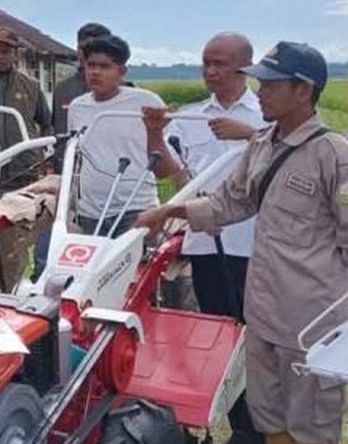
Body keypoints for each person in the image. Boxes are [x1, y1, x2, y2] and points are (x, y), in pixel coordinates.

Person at [137, 42, 348, 444]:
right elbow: (228, 203)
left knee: (312, 422)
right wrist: (170, 213)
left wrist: (315, 277)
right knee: (267, 414)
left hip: (313, 320)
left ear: (303, 90)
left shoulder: (337, 156)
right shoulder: (262, 144)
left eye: (270, 85)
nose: (260, 92)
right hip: (264, 311)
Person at [143, 32, 264, 440]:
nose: (211, 72)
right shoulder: (193, 117)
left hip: (256, 247)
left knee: (257, 342)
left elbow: (293, 154)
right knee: (218, 336)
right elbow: (171, 173)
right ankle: (227, 422)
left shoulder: (267, 117)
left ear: (244, 67)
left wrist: (250, 134)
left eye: (221, 64)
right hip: (206, 245)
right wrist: (156, 134)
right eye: (206, 63)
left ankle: (256, 428)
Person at [0, 26, 51, 287]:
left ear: (15, 54)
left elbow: (46, 124)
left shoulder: (31, 86)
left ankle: (9, 294)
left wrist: (43, 156)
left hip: (19, 176)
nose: (0, 56)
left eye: (6, 51)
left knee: (12, 247)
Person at [67, 34, 166, 237]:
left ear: (122, 71)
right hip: (91, 211)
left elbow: (165, 155)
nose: (95, 72)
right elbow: (75, 157)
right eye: (91, 65)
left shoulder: (147, 102)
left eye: (105, 67)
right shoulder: (77, 107)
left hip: (135, 208)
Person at [51, 22, 111, 135]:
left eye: (94, 49)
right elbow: (56, 132)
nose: (86, 54)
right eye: (82, 48)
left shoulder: (123, 91)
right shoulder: (62, 89)